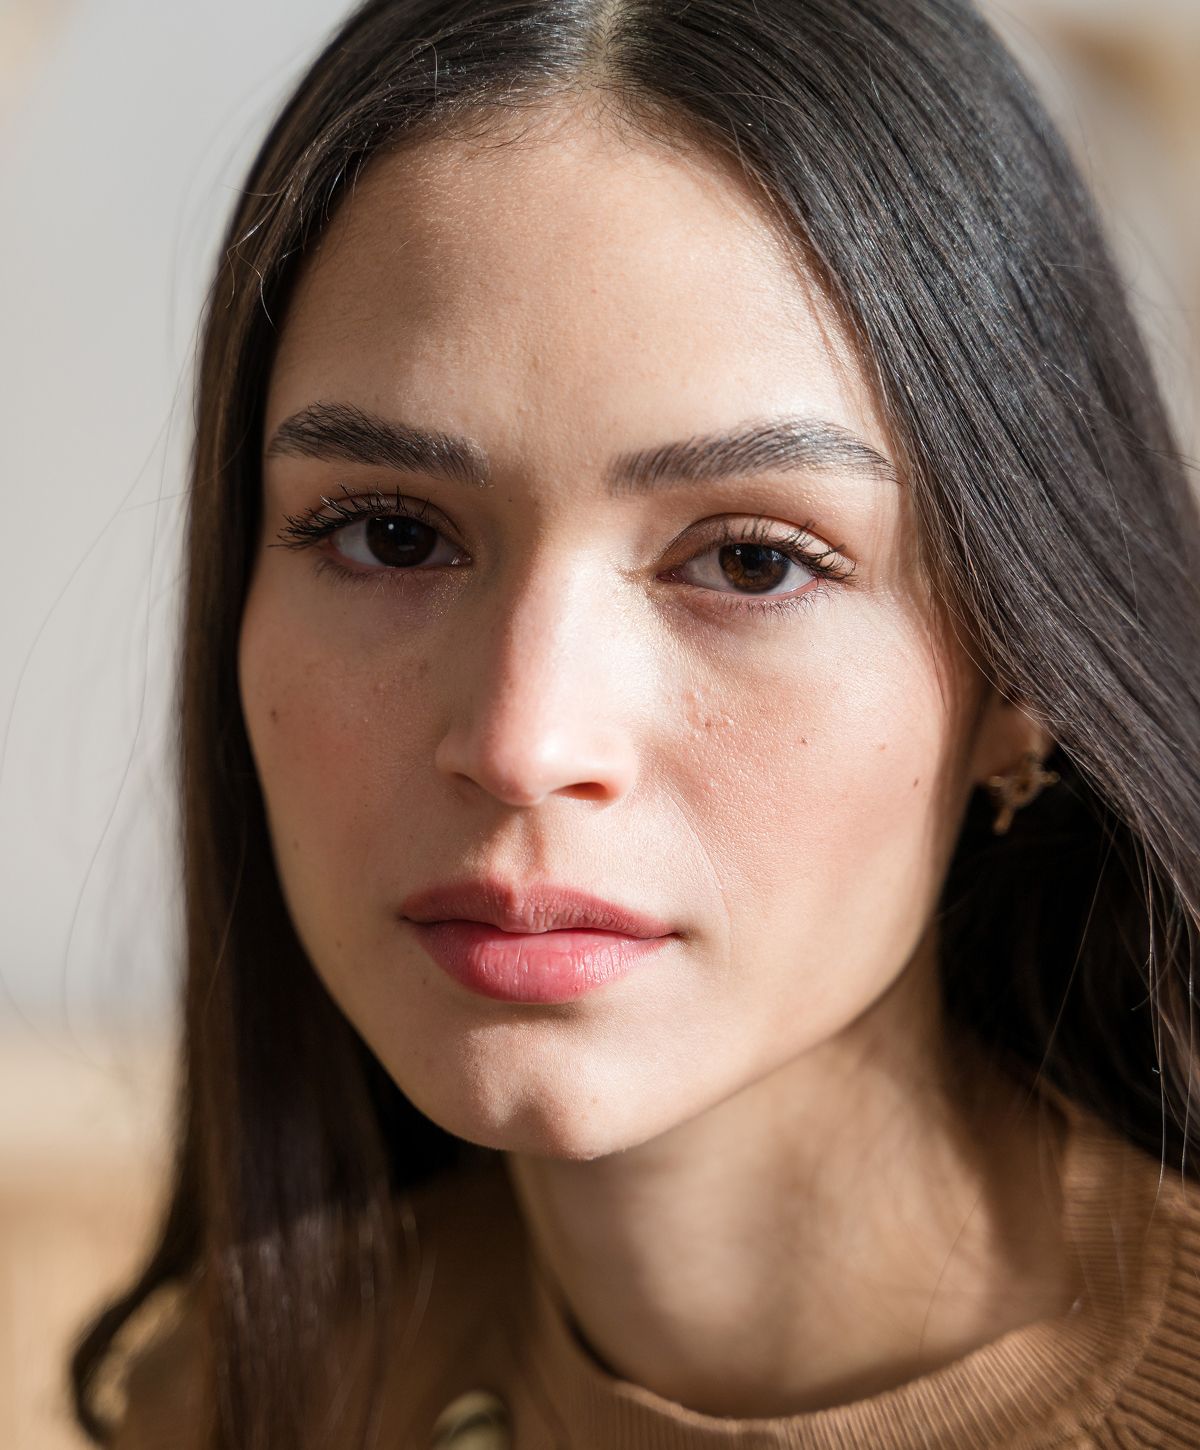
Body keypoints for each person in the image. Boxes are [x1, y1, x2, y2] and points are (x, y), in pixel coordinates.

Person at [70, 1, 1200, 1446]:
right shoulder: (244, 1398)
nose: (524, 740)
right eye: (393, 535)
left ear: (1020, 678)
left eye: (751, 560)